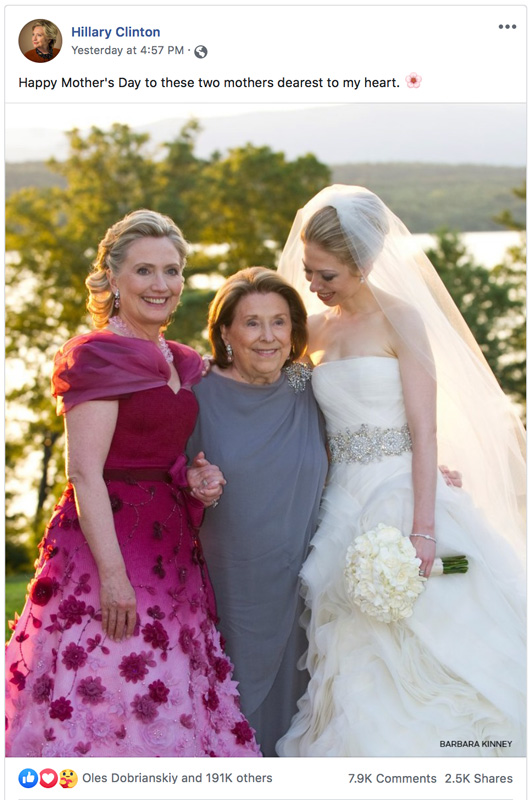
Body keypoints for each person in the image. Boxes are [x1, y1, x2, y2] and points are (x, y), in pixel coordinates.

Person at [276, 185, 526, 757]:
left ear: (362, 265)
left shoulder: (402, 319)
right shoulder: (311, 331)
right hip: (338, 500)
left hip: (400, 491)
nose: (313, 285)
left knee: (437, 630)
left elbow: (425, 429)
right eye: (311, 272)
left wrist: (424, 528)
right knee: (351, 644)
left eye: (327, 275)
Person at [5, 210, 261, 758]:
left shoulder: (184, 362)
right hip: (107, 549)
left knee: (168, 685)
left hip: (172, 549)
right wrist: (114, 578)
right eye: (145, 271)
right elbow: (84, 473)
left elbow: (168, 451)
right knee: (109, 687)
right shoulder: (96, 355)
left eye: (172, 271)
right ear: (113, 280)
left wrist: (197, 476)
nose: (161, 285)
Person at [187, 267, 328, 756]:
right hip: (230, 588)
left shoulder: (313, 388)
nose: (267, 337)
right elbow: (165, 475)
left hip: (305, 586)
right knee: (235, 710)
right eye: (251, 323)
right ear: (225, 332)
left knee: (301, 712)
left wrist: (428, 468)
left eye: (280, 322)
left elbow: (367, 443)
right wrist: (192, 481)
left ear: (294, 331)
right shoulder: (196, 392)